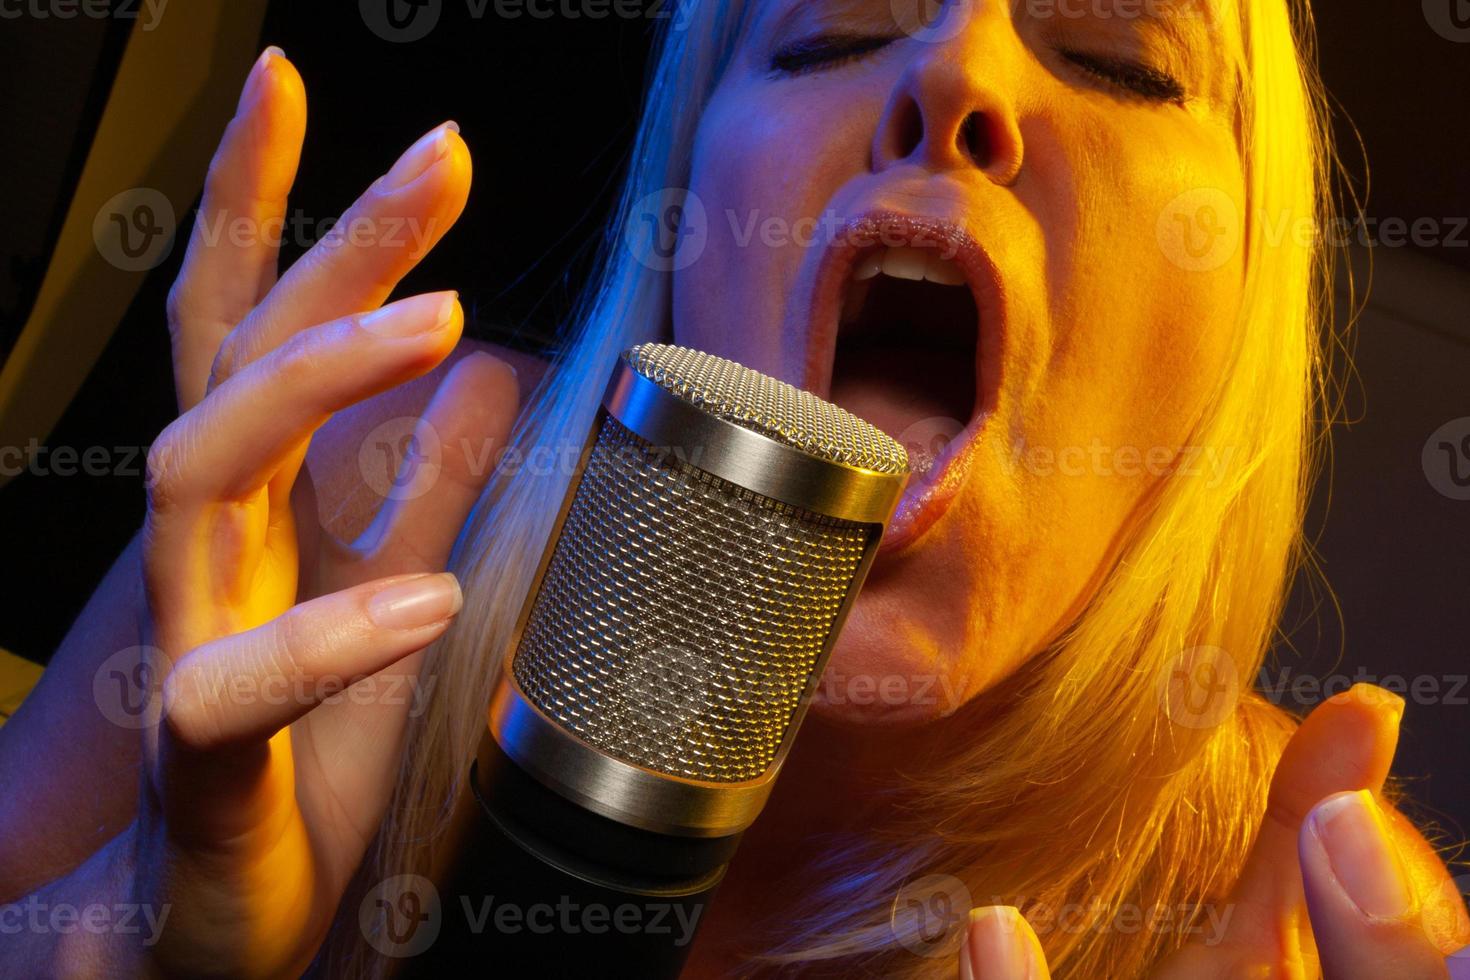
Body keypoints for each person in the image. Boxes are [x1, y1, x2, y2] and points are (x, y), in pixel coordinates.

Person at [2, 0, 1468, 976]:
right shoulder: (337, 515)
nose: (955, 79)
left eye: (1118, 58)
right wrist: (142, 933)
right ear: (684, 222)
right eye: (832, 29)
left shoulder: (1289, 912)